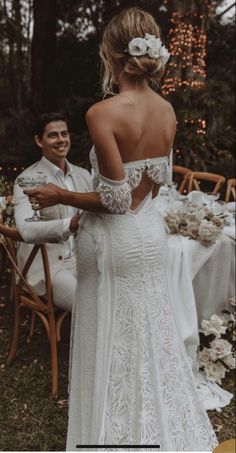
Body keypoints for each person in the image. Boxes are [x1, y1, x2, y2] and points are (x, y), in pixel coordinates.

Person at [25, 8, 218, 450]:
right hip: (150, 236)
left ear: (111, 55)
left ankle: (113, 436)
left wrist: (62, 196)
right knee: (151, 334)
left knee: (109, 336)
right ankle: (155, 429)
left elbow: (114, 201)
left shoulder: (102, 113)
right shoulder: (166, 110)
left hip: (114, 242)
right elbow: (145, 189)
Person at [14, 112, 92, 312]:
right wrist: (70, 225)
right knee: (90, 307)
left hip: (85, 260)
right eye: (53, 135)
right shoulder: (28, 179)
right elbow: (27, 230)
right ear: (39, 141)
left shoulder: (83, 176)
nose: (61, 140)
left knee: (115, 292)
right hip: (50, 270)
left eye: (64, 134)